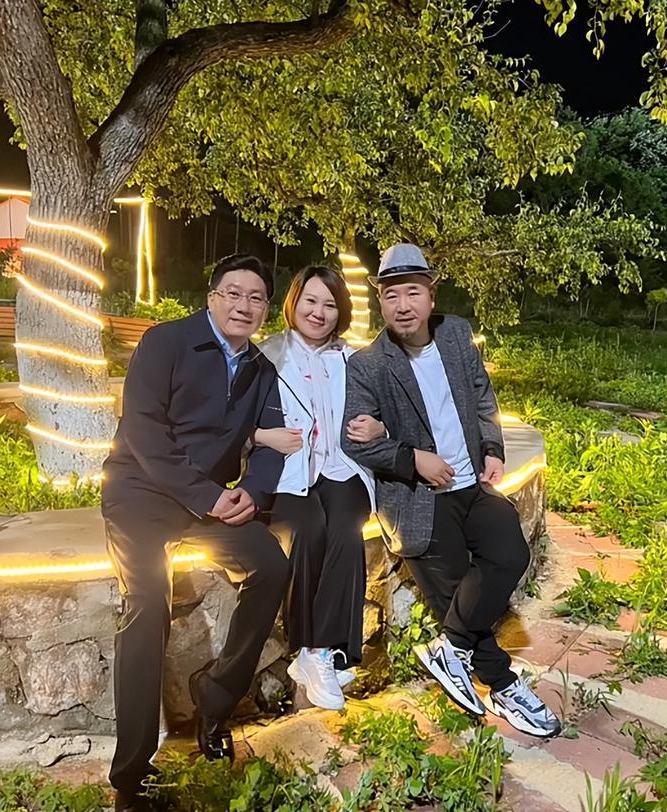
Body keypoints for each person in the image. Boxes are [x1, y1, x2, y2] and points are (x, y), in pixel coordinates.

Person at [341, 243, 561, 738]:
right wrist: (411, 458)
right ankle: (502, 685)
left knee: (510, 552)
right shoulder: (368, 364)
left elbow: (482, 396)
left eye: (412, 292)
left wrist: (492, 447)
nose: (403, 305)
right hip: (419, 498)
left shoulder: (457, 335)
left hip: (472, 485)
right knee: (457, 582)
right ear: (380, 301)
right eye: (391, 295)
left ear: (431, 295)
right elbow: (352, 440)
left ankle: (452, 647)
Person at [102, 254, 290, 811]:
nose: (243, 305)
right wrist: (208, 495)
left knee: (271, 564)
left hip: (207, 504)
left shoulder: (261, 369)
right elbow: (144, 432)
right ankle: (131, 773)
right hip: (140, 493)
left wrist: (253, 491)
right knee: (147, 603)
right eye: (233, 293)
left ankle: (215, 695)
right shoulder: (166, 342)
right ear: (211, 298)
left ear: (264, 310)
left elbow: (271, 442)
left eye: (256, 298)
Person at [257, 265, 383, 711]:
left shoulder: (356, 361)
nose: (319, 312)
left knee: (347, 531)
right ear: (294, 303)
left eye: (330, 304)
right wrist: (264, 437)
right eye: (311, 301)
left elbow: (386, 414)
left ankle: (318, 652)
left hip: (342, 467)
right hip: (289, 472)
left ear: (340, 312)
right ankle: (317, 650)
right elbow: (234, 423)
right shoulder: (266, 357)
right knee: (308, 531)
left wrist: (379, 427)